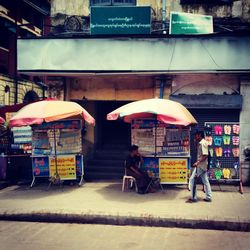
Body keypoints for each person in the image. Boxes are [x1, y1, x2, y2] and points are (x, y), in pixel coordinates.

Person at [188, 131, 212, 203]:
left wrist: (198, 162)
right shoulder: (200, 143)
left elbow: (205, 155)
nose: (195, 137)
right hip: (202, 165)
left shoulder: (203, 143)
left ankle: (194, 197)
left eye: (196, 135)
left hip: (200, 166)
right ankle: (208, 196)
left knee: (192, 179)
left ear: (199, 135)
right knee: (205, 181)